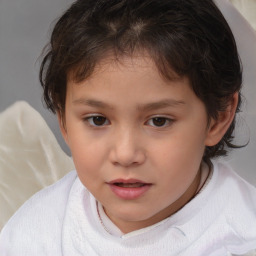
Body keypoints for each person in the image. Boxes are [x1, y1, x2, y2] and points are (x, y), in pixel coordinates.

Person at [0, 0, 256, 255]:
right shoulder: (34, 233)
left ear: (219, 117)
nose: (125, 154)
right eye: (97, 120)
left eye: (159, 121)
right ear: (64, 120)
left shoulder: (244, 238)